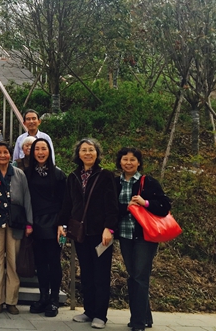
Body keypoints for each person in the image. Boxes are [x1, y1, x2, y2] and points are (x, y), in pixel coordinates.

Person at [58, 138, 118, 329]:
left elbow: (112, 205)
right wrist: (62, 223)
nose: (88, 153)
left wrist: (109, 228)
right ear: (78, 154)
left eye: (91, 150)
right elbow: (68, 203)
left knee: (101, 274)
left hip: (100, 233)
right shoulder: (73, 176)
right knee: (86, 273)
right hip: (81, 232)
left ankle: (100, 315)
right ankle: (89, 311)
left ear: (97, 153)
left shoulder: (106, 176)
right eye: (84, 150)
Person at [115, 147, 171, 331]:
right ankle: (145, 317)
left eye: (133, 160)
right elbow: (111, 208)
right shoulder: (115, 183)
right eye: (125, 159)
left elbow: (165, 205)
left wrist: (145, 203)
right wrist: (126, 207)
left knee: (139, 277)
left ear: (139, 163)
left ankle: (137, 322)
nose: (128, 163)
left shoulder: (149, 183)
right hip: (125, 235)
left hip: (145, 236)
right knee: (134, 276)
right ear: (120, 162)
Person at [0, 141, 33, 315]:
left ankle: (11, 301)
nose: (3, 155)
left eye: (6, 152)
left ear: (10, 155)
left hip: (15, 223)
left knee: (13, 262)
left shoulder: (19, 174)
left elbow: (27, 198)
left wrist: (29, 223)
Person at [26, 138, 66, 317]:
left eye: (44, 149)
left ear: (49, 151)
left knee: (54, 261)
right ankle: (43, 297)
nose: (40, 152)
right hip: (35, 222)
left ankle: (54, 299)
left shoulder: (58, 174)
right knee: (40, 262)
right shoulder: (27, 173)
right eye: (37, 149)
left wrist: (62, 224)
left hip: (54, 223)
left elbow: (65, 201)